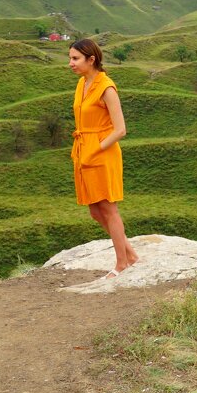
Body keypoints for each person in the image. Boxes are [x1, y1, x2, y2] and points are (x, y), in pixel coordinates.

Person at [69, 39, 138, 278]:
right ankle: (130, 254)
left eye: (75, 58)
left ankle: (122, 264)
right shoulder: (81, 84)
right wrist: (84, 150)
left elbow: (120, 130)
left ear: (92, 59)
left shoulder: (107, 87)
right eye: (70, 58)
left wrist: (95, 148)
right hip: (82, 149)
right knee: (95, 211)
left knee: (108, 209)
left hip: (102, 151)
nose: (71, 63)